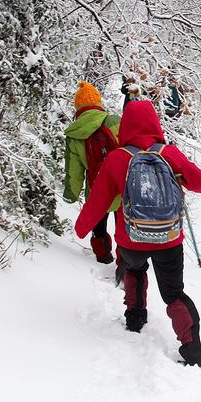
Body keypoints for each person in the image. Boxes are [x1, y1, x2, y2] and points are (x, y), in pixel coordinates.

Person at [74, 100, 201, 366]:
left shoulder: (117, 157)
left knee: (134, 271)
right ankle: (193, 349)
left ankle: (135, 319)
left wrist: (81, 228)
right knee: (174, 293)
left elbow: (99, 201)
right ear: (155, 123)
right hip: (169, 238)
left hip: (132, 238)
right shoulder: (168, 153)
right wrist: (179, 174)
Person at [63, 81, 121, 265]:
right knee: (124, 227)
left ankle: (103, 256)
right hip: (123, 185)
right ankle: (125, 261)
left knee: (99, 225)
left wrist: (71, 194)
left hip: (96, 188)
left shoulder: (74, 133)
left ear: (77, 106)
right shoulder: (115, 121)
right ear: (98, 102)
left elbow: (75, 170)